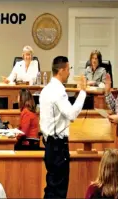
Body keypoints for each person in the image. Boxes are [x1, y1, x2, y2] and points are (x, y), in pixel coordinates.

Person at [39, 56, 87, 198]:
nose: (69, 73)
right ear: (61, 70)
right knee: (59, 190)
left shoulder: (45, 90)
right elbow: (71, 114)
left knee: (51, 188)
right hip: (58, 147)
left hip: (49, 145)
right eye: (68, 69)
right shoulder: (58, 91)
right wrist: (83, 92)